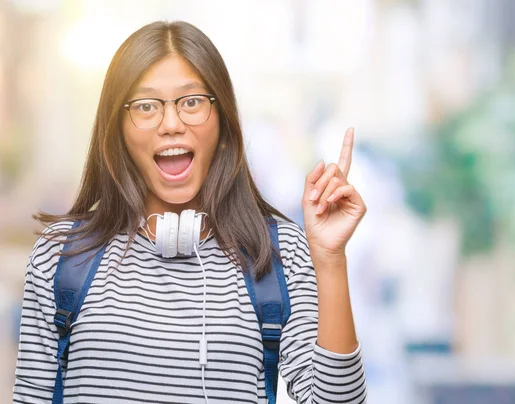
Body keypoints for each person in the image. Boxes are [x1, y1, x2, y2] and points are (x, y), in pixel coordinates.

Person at [13, 20, 367, 403]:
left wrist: (330, 259)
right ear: (117, 129)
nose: (171, 124)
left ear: (223, 120)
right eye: (146, 106)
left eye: (192, 102)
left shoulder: (279, 254)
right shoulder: (62, 254)